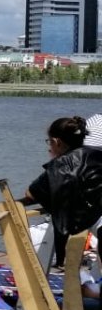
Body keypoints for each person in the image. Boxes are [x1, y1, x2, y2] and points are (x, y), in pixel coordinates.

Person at [26, 116, 102, 271]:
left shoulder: (60, 165)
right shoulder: (97, 154)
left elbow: (31, 192)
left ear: (56, 142)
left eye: (49, 142)